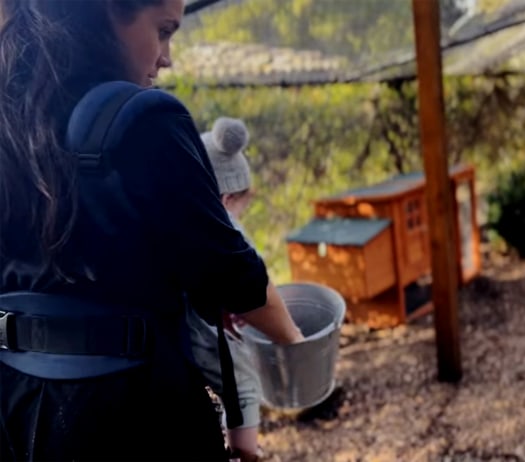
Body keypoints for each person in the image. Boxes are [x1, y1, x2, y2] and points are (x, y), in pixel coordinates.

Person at [0, 1, 303, 461]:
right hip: (131, 416)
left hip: (17, 404)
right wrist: (297, 343)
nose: (167, 56)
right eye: (163, 30)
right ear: (105, 14)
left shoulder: (10, 122)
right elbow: (234, 276)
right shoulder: (143, 120)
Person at [186, 116, 265, 461]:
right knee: (243, 382)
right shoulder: (222, 225)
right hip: (189, 325)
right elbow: (250, 284)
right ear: (228, 195)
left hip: (184, 314)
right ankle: (245, 451)